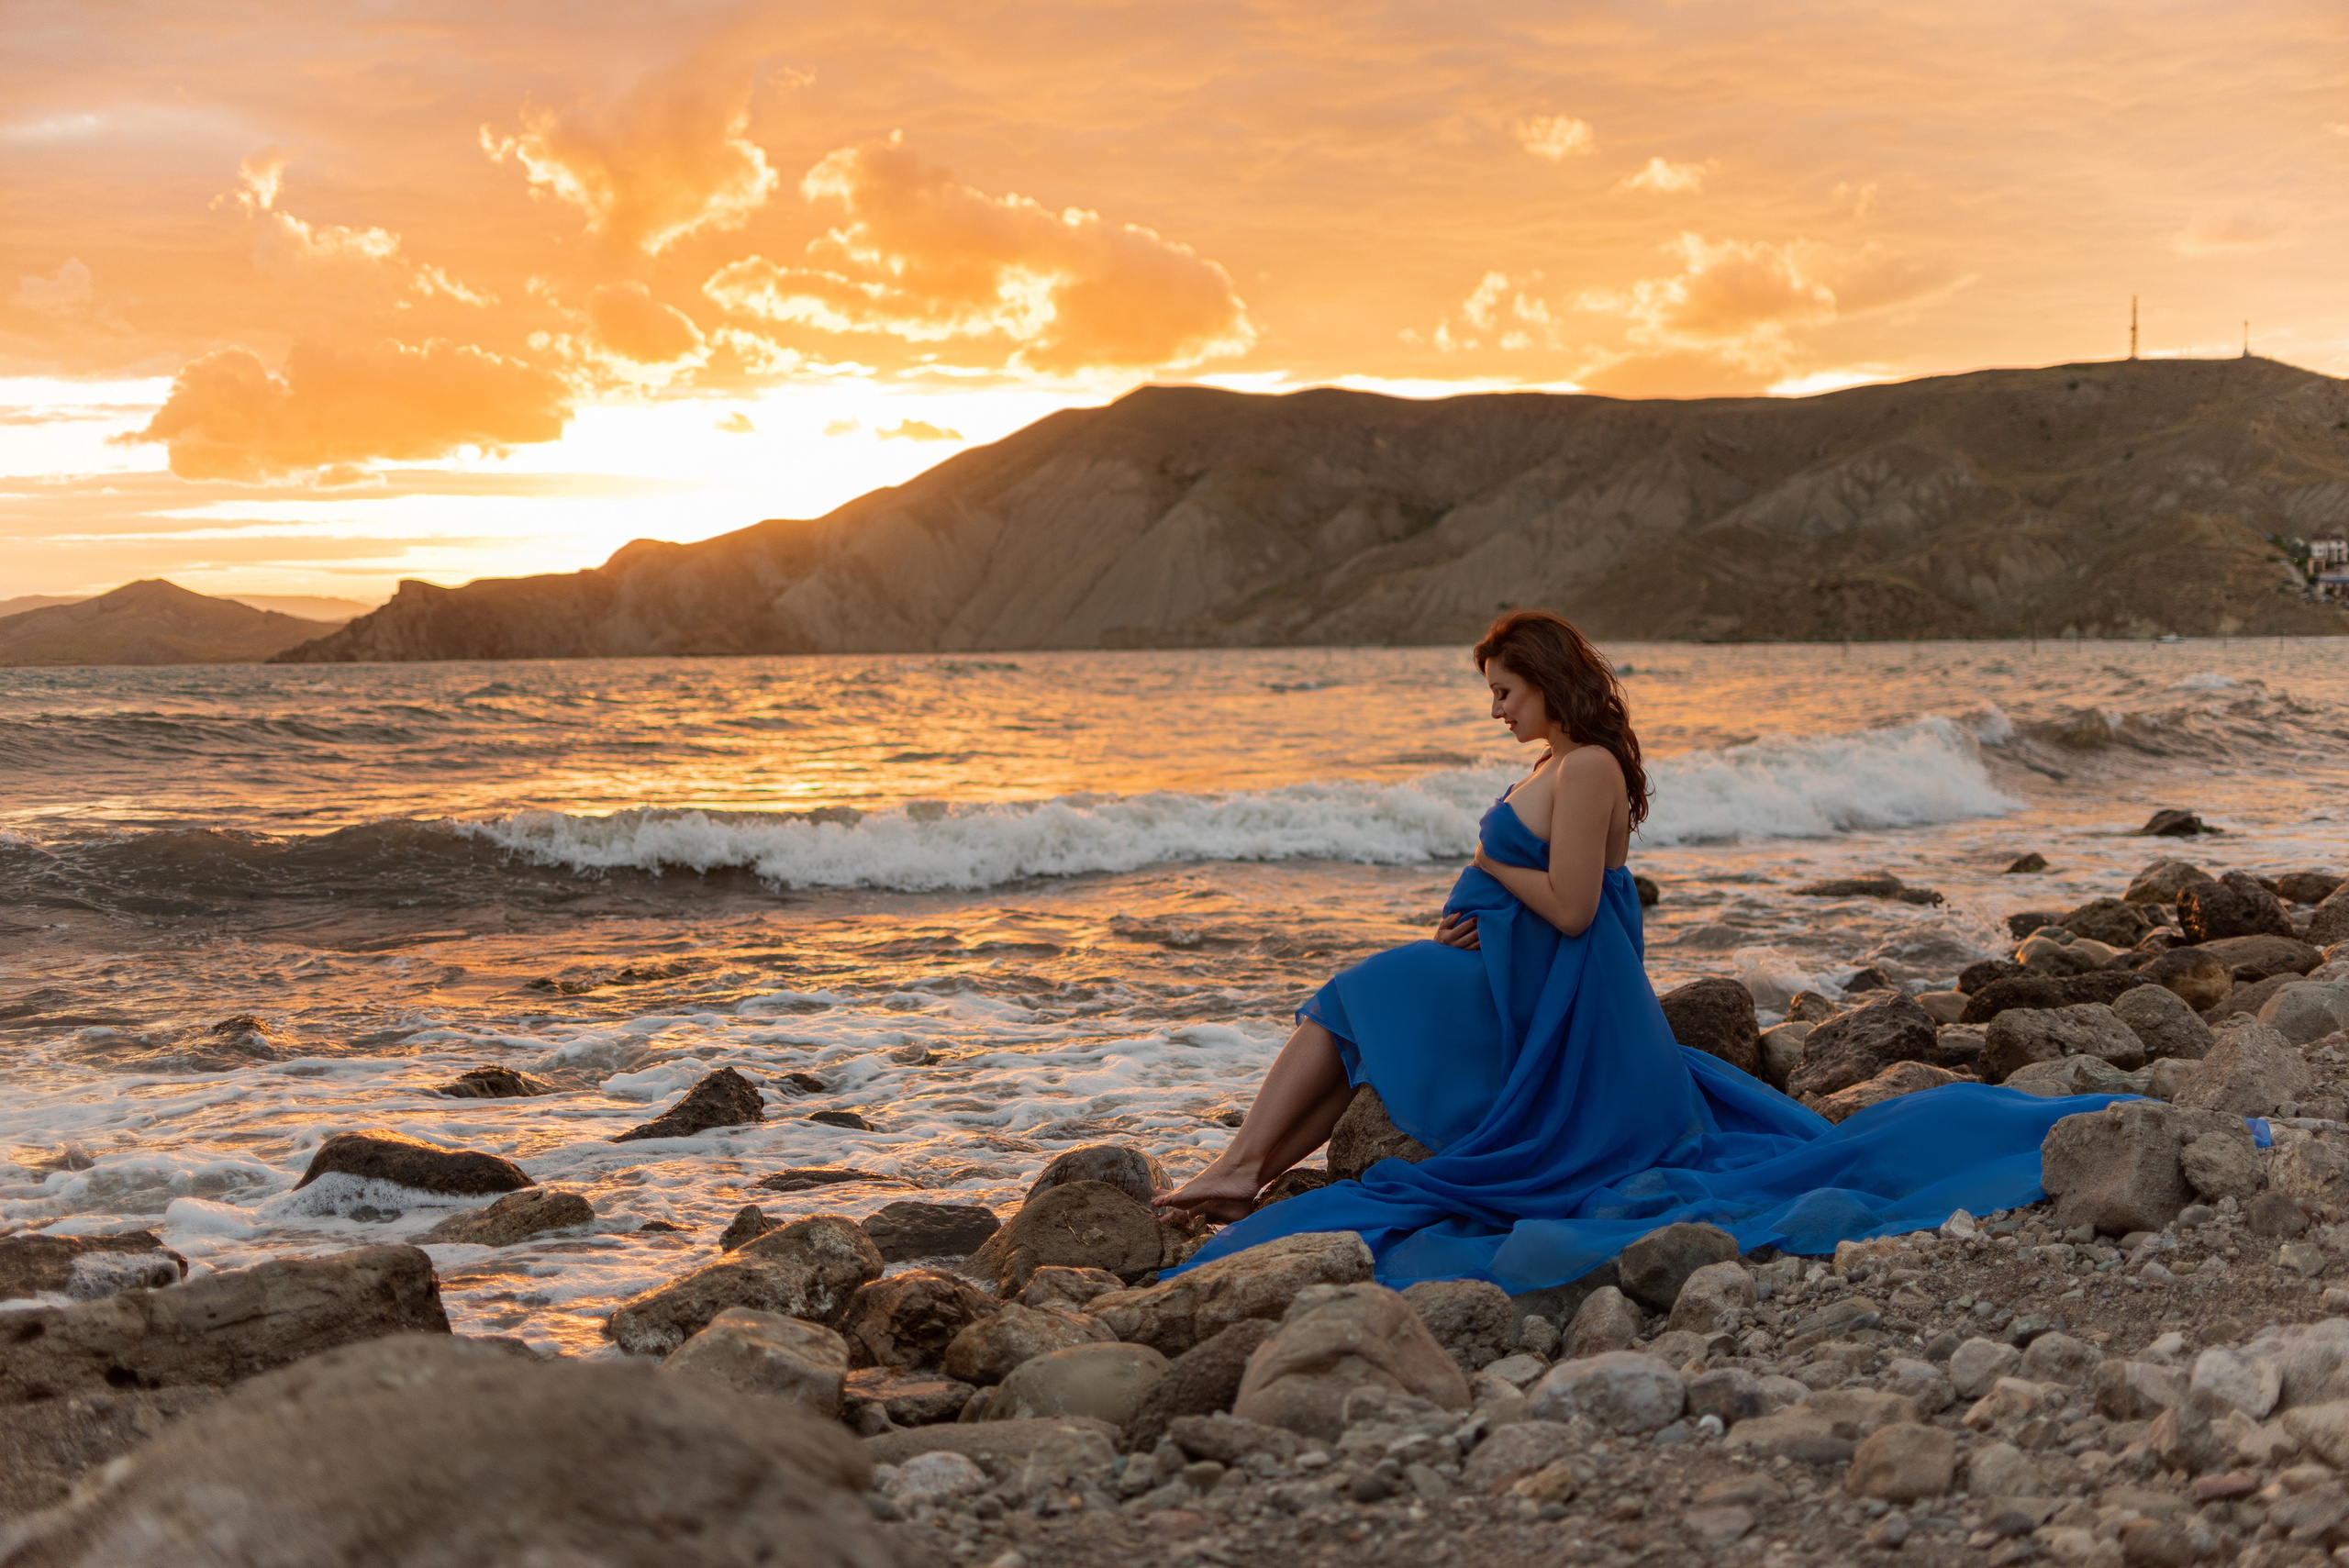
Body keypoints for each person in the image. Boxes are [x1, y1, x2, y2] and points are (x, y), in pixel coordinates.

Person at [1152, 608, 2144, 1294]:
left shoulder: (1584, 768)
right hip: (1519, 979)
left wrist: (1489, 880)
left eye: (1503, 690)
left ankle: (1243, 1164)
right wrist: (1487, 913)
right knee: (1362, 1006)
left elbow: (1577, 909)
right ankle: (1247, 1165)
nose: (1494, 708)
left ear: (1545, 683)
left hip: (1553, 1008)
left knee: (1355, 989)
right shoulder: (1561, 762)